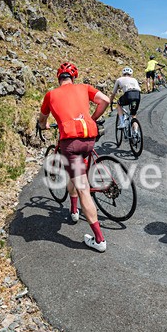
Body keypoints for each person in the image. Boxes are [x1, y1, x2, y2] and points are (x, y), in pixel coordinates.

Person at [38, 62, 111, 252]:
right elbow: (105, 100)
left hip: (70, 143)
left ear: (58, 78)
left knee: (83, 188)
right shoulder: (84, 88)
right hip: (89, 138)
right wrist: (92, 118)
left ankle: (99, 240)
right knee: (76, 175)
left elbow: (42, 118)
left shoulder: (51, 95)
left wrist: (43, 126)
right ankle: (73, 210)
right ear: (73, 78)